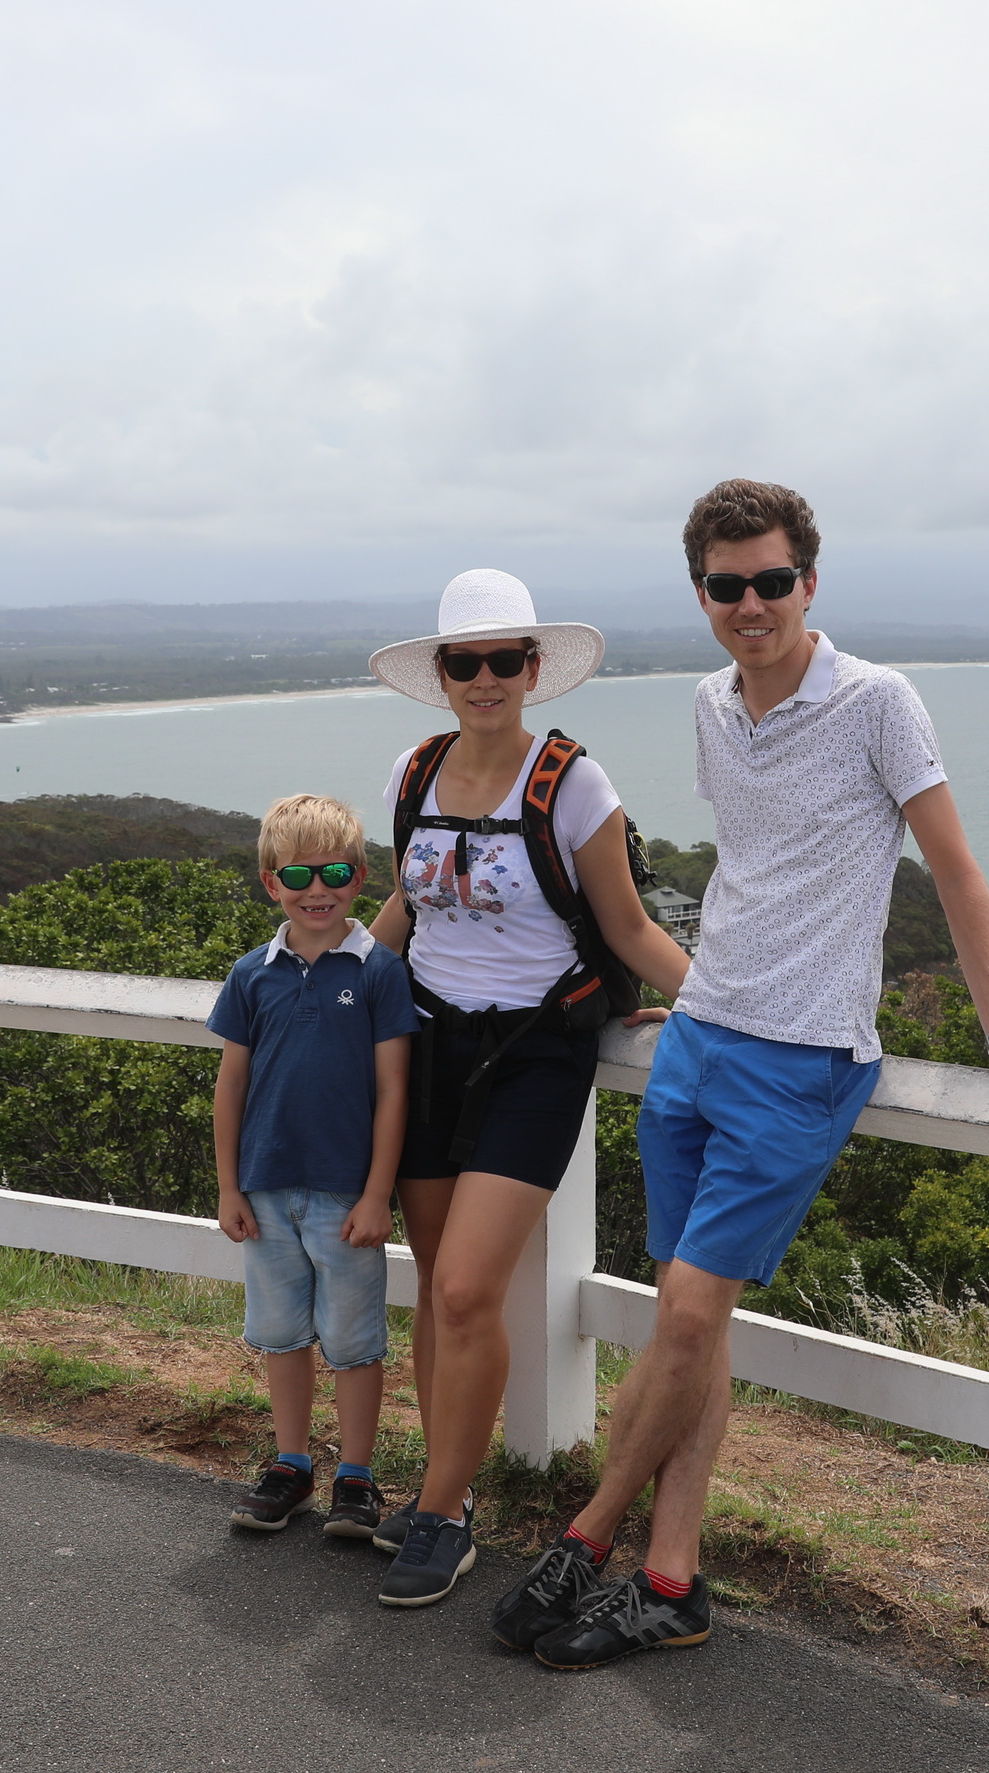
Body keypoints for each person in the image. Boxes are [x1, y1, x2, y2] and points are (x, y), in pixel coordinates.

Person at [493, 479, 989, 1670]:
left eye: (772, 580)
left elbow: (958, 874)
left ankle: (586, 1536)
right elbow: (752, 868)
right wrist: (699, 983)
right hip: (702, 1032)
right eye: (726, 585)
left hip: (805, 1055)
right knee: (685, 1329)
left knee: (692, 1312)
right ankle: (670, 1578)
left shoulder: (877, 702)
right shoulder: (712, 701)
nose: (750, 603)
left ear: (811, 580)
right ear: (701, 593)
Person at [360, 569, 696, 1609]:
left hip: (537, 1051)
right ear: (442, 674)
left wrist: (728, 1005)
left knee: (468, 1286)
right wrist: (314, 989)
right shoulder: (413, 774)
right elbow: (406, 911)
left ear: (535, 669)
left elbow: (631, 927)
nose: (487, 677)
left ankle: (444, 1509)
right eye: (466, 661)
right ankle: (441, 1495)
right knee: (435, 1291)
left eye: (507, 658)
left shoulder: (573, 786)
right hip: (424, 1042)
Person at [209, 795, 419, 1540]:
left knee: (356, 1342)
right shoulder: (251, 975)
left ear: (359, 878)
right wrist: (231, 1186)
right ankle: (291, 1464)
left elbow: (394, 1091)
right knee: (281, 1336)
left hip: (344, 1195)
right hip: (265, 1192)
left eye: (334, 871)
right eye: (297, 873)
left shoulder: (379, 972)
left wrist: (376, 1195)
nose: (316, 888)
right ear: (272, 883)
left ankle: (356, 1476)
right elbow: (230, 1086)